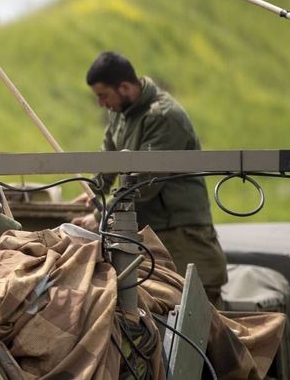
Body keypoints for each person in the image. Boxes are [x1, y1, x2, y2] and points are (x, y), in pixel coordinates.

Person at [77, 51, 228, 304]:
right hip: (150, 233)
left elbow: (145, 183)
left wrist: (98, 217)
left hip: (181, 235)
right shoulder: (120, 113)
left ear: (124, 87)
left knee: (198, 314)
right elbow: (109, 157)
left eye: (103, 96)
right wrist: (95, 191)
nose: (101, 104)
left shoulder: (163, 116)